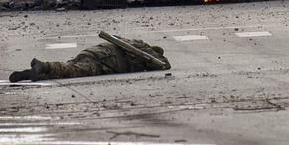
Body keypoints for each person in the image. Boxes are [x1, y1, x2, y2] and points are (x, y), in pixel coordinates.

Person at [9, 37, 170, 82]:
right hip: (107, 61)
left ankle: (35, 74)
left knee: (71, 68)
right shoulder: (145, 50)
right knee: (74, 70)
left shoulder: (133, 42)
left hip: (96, 52)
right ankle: (44, 66)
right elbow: (164, 65)